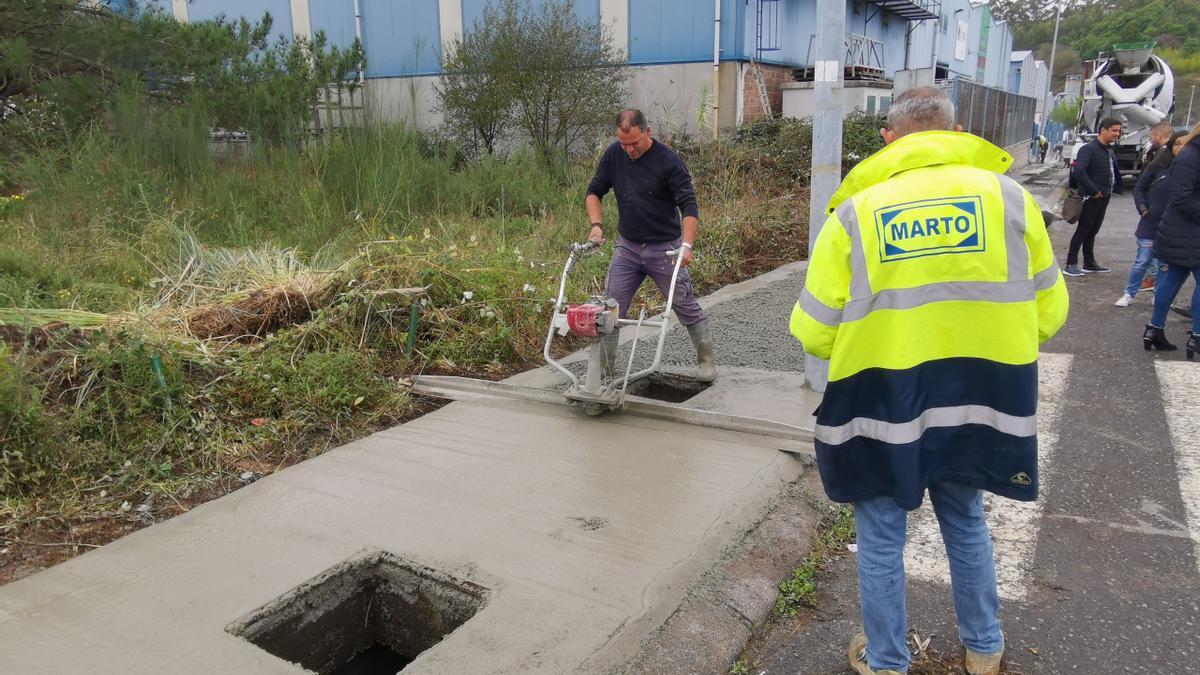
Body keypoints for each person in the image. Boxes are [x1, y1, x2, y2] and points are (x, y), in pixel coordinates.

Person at [790, 87, 1068, 675]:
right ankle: (984, 650)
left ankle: (888, 661)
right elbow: (1050, 314)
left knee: (883, 534)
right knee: (966, 521)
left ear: (889, 138)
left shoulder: (856, 213)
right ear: (956, 130)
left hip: (885, 403)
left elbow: (814, 331)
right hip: (981, 399)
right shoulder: (1010, 200)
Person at [585, 108, 716, 381]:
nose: (629, 150)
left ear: (648, 131)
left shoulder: (668, 161)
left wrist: (687, 245)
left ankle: (706, 362)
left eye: (634, 143)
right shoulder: (613, 155)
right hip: (628, 247)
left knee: (683, 303)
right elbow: (594, 191)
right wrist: (596, 226)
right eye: (624, 144)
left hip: (665, 247)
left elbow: (688, 205)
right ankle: (605, 375)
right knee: (611, 307)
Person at [1145, 122, 1200, 358]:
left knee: (1173, 279)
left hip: (1183, 231)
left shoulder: (1190, 153)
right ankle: (1197, 337)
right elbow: (1180, 198)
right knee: (1174, 280)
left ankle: (1154, 331)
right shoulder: (1190, 155)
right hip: (1188, 231)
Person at [1115, 131, 1186, 307]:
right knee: (1142, 261)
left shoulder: (1189, 169)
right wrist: (1144, 209)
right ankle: (1129, 293)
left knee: (1164, 265)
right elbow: (1139, 189)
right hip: (1150, 224)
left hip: (1173, 227)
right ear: (1171, 145)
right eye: (1177, 144)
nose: (1180, 147)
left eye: (1184, 144)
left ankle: (1158, 295)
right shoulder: (1158, 165)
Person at [1064, 117, 1123, 277]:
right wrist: (1094, 190)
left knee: (1093, 231)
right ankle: (1071, 263)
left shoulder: (1107, 150)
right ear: (1103, 130)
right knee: (1083, 230)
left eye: (1119, 131)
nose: (1117, 134)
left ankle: (1089, 263)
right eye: (1114, 130)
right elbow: (1079, 172)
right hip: (1091, 198)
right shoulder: (1088, 149)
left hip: (1104, 197)